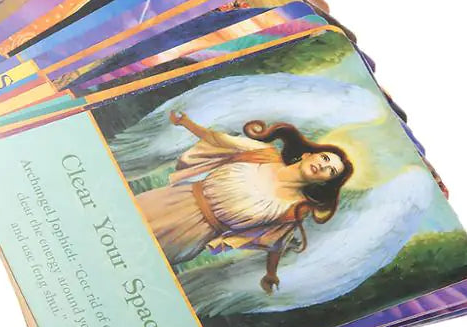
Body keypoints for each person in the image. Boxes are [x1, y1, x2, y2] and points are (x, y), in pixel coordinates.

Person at [135, 112, 353, 293]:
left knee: (139, 259)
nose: (323, 166)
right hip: (173, 200)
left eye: (331, 171)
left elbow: (276, 243)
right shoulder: (263, 153)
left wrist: (270, 274)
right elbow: (218, 140)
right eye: (325, 158)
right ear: (307, 155)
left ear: (325, 181)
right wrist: (185, 122)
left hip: (192, 235)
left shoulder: (294, 208)